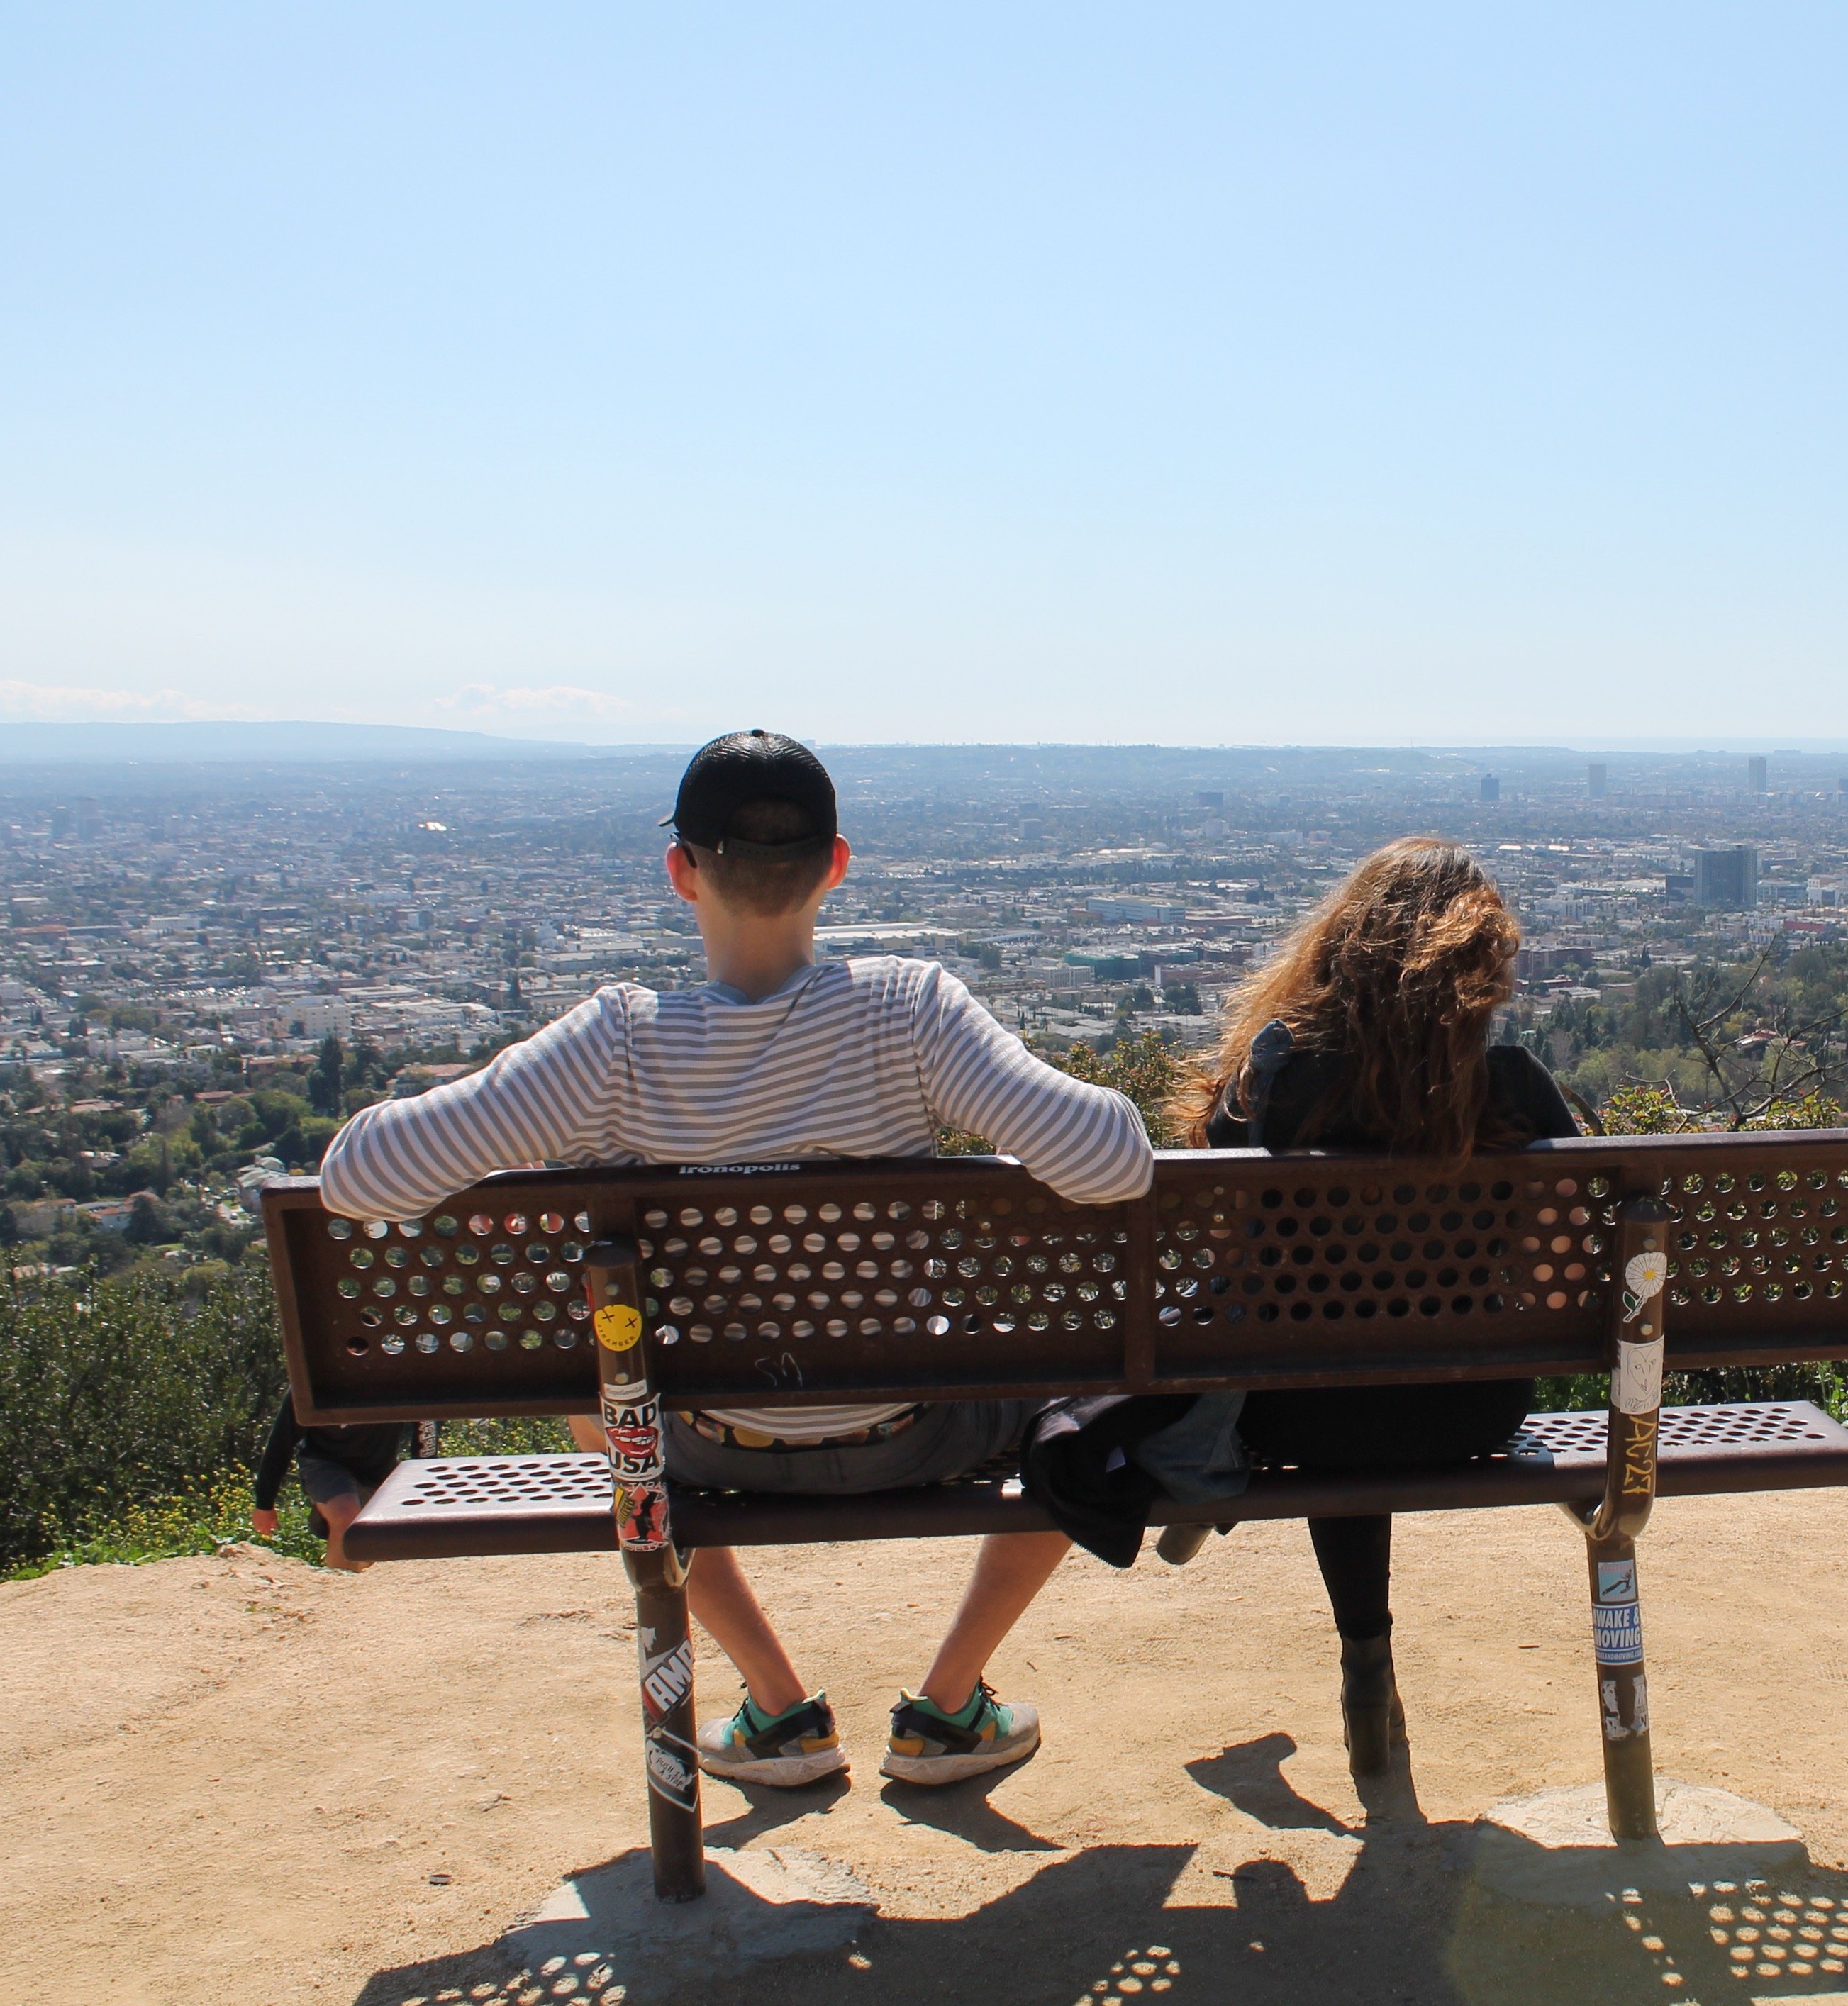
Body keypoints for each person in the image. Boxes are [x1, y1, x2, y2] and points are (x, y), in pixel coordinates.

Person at [316, 730, 1154, 1788]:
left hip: (704, 1444)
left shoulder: (613, 1045)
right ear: (836, 866)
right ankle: (947, 1709)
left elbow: (356, 1178)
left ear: (682, 872)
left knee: (599, 1402)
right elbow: (1114, 1159)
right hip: (917, 1429)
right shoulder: (908, 1012)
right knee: (1081, 1386)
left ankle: (776, 1707)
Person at [1179, 835, 1576, 1773]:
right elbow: (1576, 1271)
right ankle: (1365, 1670)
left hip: (1297, 1417)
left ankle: (1364, 1654)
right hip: (1472, 1406)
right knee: (1364, 1379)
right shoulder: (1513, 1088)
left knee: (1331, 1381)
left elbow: (1215, 1253)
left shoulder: (1277, 1085)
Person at [248, 1393, 412, 1573]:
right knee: (347, 1519)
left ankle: (357, 1591)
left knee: (367, 1546)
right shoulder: (312, 1380)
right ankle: (343, 1595)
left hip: (378, 1473)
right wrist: (265, 1503)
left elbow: (425, 1429)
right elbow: (281, 1442)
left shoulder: (399, 1377)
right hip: (323, 1462)